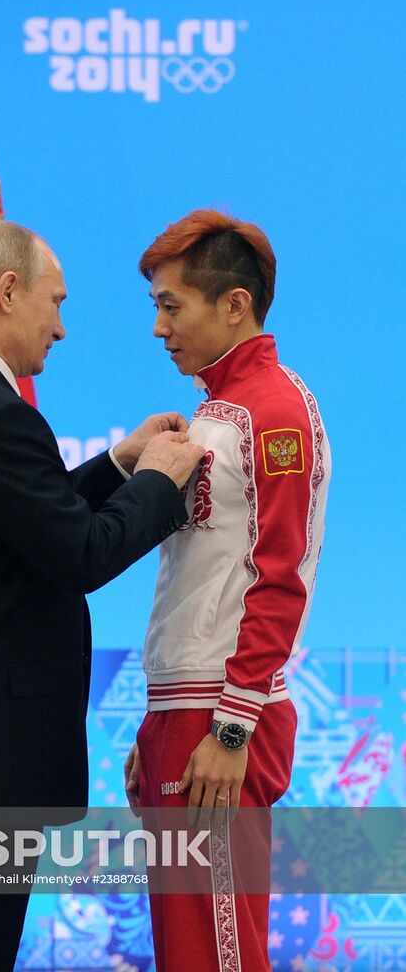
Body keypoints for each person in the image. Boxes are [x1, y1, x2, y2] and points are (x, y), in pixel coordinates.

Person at [0, 219, 206, 972]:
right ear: (7, 290)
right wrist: (158, 480)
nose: (60, 327)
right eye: (55, 302)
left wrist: (117, 465)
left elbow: (21, 524)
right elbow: (79, 553)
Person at [125, 208, 331, 971]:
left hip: (220, 717)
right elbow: (201, 578)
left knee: (218, 954)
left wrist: (232, 727)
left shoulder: (273, 413)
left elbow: (283, 576)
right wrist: (158, 722)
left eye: (170, 305)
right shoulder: (214, 412)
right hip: (186, 712)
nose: (158, 328)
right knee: (189, 950)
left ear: (234, 304)